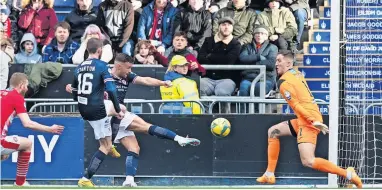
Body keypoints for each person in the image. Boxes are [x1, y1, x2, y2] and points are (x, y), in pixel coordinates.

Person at [256, 50, 362, 189]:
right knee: (273, 131)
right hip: (306, 117)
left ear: (288, 63)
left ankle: (348, 174)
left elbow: (296, 105)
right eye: (276, 61)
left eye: (279, 61)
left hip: (308, 119)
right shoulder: (296, 73)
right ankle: (269, 174)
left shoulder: (284, 83)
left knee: (308, 161)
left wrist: (312, 121)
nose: (276, 64)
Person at [70, 38, 124, 187]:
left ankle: (109, 142)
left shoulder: (79, 67)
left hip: (83, 108)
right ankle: (86, 178)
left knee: (111, 112)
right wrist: (118, 109)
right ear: (100, 50)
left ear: (87, 50)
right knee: (121, 111)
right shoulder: (101, 65)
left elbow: (74, 91)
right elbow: (112, 89)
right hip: (97, 109)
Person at [1, 72, 64, 186]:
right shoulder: (17, 97)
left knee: (3, 153)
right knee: (28, 144)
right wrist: (50, 129)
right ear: (21, 85)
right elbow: (27, 123)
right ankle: (20, 183)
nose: (27, 88)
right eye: (26, 85)